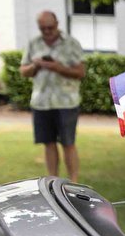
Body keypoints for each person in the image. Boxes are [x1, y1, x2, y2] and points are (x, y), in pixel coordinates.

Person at [20, 11, 85, 183]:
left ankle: (73, 182)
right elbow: (23, 71)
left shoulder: (71, 44)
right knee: (48, 143)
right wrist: (36, 65)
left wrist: (57, 67)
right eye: (43, 28)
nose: (47, 31)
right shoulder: (33, 44)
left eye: (50, 27)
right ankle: (53, 181)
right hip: (41, 102)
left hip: (66, 102)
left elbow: (80, 72)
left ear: (57, 23)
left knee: (68, 143)